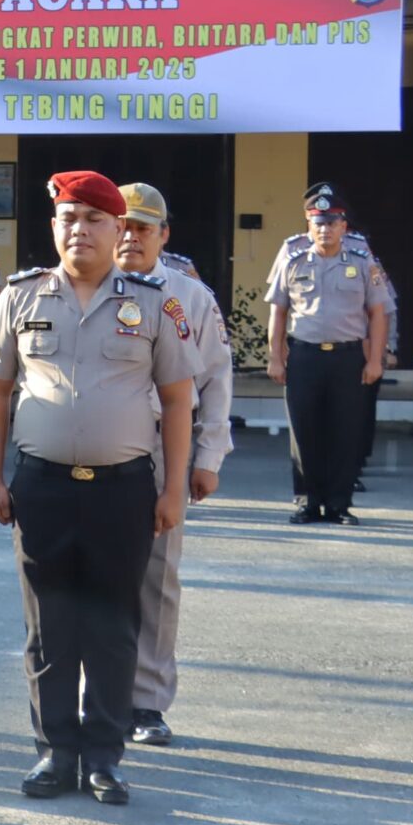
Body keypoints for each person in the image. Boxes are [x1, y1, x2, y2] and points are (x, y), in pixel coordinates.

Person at [0, 172, 194, 807]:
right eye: (69, 219)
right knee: (48, 628)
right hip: (40, 487)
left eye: (95, 220)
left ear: (118, 229)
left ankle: (103, 757)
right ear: (53, 227)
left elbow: (179, 402)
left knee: (112, 627)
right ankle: (53, 752)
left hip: (123, 490)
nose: (81, 231)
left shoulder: (155, 302)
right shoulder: (19, 298)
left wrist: (172, 488)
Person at [116, 182, 233, 748]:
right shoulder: (77, 285)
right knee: (90, 574)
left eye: (144, 227)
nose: (131, 235)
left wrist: (207, 456)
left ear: (164, 234)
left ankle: (146, 701)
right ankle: (96, 692)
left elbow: (216, 378)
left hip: (166, 448)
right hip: (95, 449)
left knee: (156, 578)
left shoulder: (190, 295)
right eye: (124, 224)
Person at [265, 182, 388, 525]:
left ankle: (338, 504)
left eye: (332, 222)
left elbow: (378, 313)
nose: (325, 229)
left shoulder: (362, 261)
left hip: (348, 358)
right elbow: (278, 311)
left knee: (345, 431)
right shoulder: (291, 257)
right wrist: (275, 356)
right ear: (309, 224)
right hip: (304, 356)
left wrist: (375, 359)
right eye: (319, 222)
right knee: (304, 432)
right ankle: (308, 502)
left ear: (343, 226)